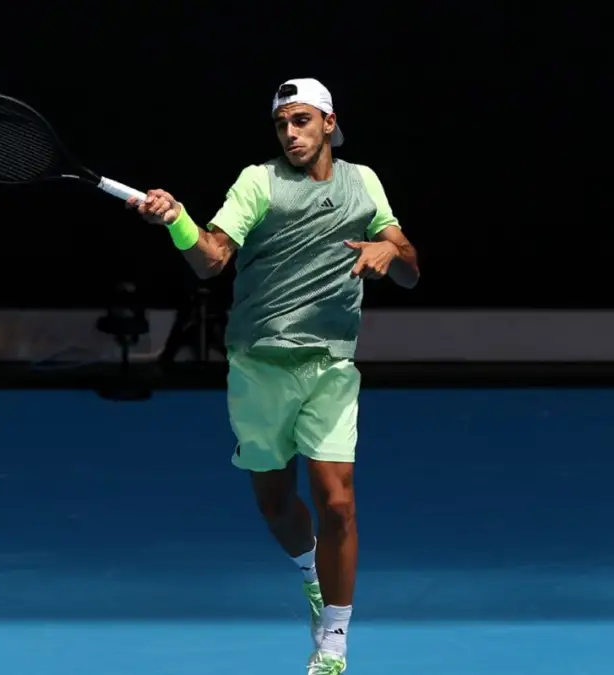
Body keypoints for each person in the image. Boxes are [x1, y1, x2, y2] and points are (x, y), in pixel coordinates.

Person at [127, 77, 420, 675]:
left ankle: (334, 643)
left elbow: (411, 264)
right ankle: (312, 574)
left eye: (303, 121)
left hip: (330, 366)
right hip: (258, 364)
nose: (291, 133)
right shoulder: (257, 182)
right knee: (276, 505)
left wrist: (392, 252)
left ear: (330, 123)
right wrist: (179, 218)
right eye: (283, 123)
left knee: (337, 503)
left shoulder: (363, 183)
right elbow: (211, 258)